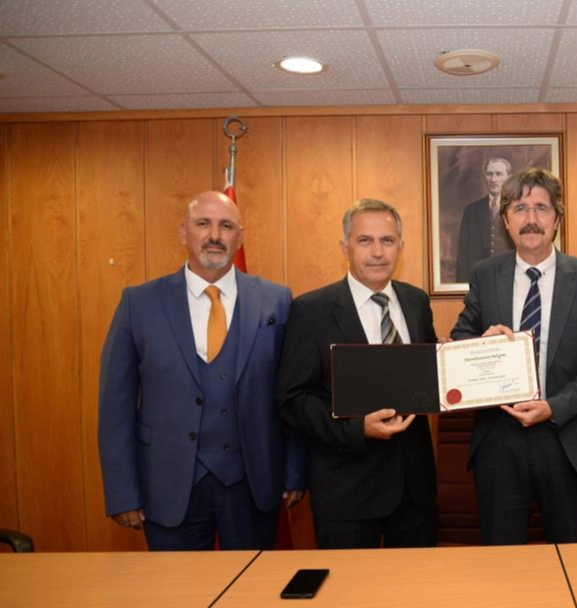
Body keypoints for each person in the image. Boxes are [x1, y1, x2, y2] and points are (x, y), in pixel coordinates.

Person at [98, 191, 306, 551]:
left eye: (226, 226)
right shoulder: (139, 303)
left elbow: (293, 394)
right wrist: (122, 492)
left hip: (253, 484)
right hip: (167, 485)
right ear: (184, 232)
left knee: (252, 584)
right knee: (176, 588)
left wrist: (294, 471)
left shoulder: (276, 300)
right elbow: (115, 407)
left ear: (239, 237)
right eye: (202, 224)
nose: (214, 235)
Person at [451, 168, 577, 545]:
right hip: (499, 442)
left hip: (566, 440)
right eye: (520, 208)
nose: (531, 219)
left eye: (541, 208)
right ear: (505, 220)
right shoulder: (485, 274)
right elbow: (460, 339)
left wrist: (554, 407)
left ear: (557, 220)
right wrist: (482, 343)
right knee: (502, 559)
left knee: (570, 558)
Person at [277, 199, 438, 549]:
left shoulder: (416, 302)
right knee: (348, 585)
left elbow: (429, 373)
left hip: (414, 491)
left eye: (387, 240)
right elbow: (293, 399)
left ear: (401, 247)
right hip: (346, 492)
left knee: (418, 584)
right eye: (365, 240)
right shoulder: (311, 310)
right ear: (345, 247)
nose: (377, 252)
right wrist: (355, 428)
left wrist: (475, 355)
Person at [455, 157, 514, 282]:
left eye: (498, 174)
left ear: (508, 177)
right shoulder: (472, 210)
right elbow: (463, 255)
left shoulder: (517, 208)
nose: (493, 179)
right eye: (489, 174)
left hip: (510, 280)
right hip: (479, 282)